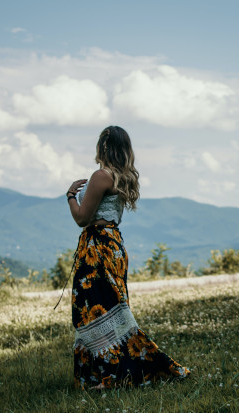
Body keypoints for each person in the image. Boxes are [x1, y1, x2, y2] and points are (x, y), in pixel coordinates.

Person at [65, 125, 190, 390]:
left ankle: (110, 377)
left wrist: (70, 197)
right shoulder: (124, 176)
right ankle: (115, 373)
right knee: (113, 309)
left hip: (97, 247)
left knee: (92, 310)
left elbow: (82, 218)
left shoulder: (101, 175)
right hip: (115, 245)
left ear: (103, 146)